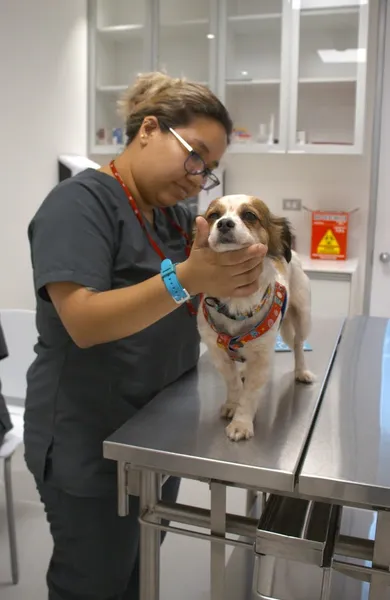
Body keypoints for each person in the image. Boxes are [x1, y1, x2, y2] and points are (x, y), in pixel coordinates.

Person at [24, 71, 267, 600]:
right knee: (94, 583)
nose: (199, 176)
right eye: (195, 156)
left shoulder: (177, 219)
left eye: (210, 170)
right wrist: (189, 278)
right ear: (150, 130)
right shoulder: (78, 204)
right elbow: (84, 322)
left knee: (137, 577)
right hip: (88, 443)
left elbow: (213, 287)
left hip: (152, 437)